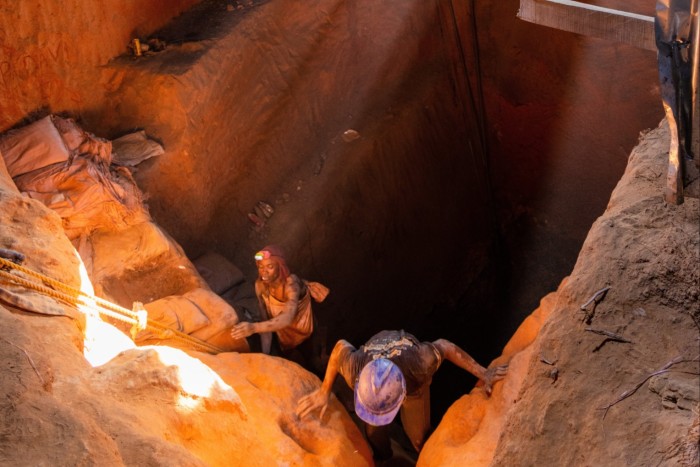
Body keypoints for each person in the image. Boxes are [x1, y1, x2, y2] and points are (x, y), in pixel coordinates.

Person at [296, 329, 507, 460]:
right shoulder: (356, 369)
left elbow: (445, 346)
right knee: (373, 434)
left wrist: (484, 372)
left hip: (413, 384)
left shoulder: (419, 364)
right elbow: (340, 347)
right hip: (381, 372)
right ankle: (384, 457)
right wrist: (324, 391)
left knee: (419, 439)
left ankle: (421, 456)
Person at [230, 245, 328, 360]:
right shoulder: (260, 286)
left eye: (270, 266)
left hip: (307, 335)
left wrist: (253, 328)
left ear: (280, 267)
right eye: (261, 267)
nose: (264, 272)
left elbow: (287, 317)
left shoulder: (291, 285)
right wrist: (264, 357)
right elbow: (265, 322)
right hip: (285, 338)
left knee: (315, 363)